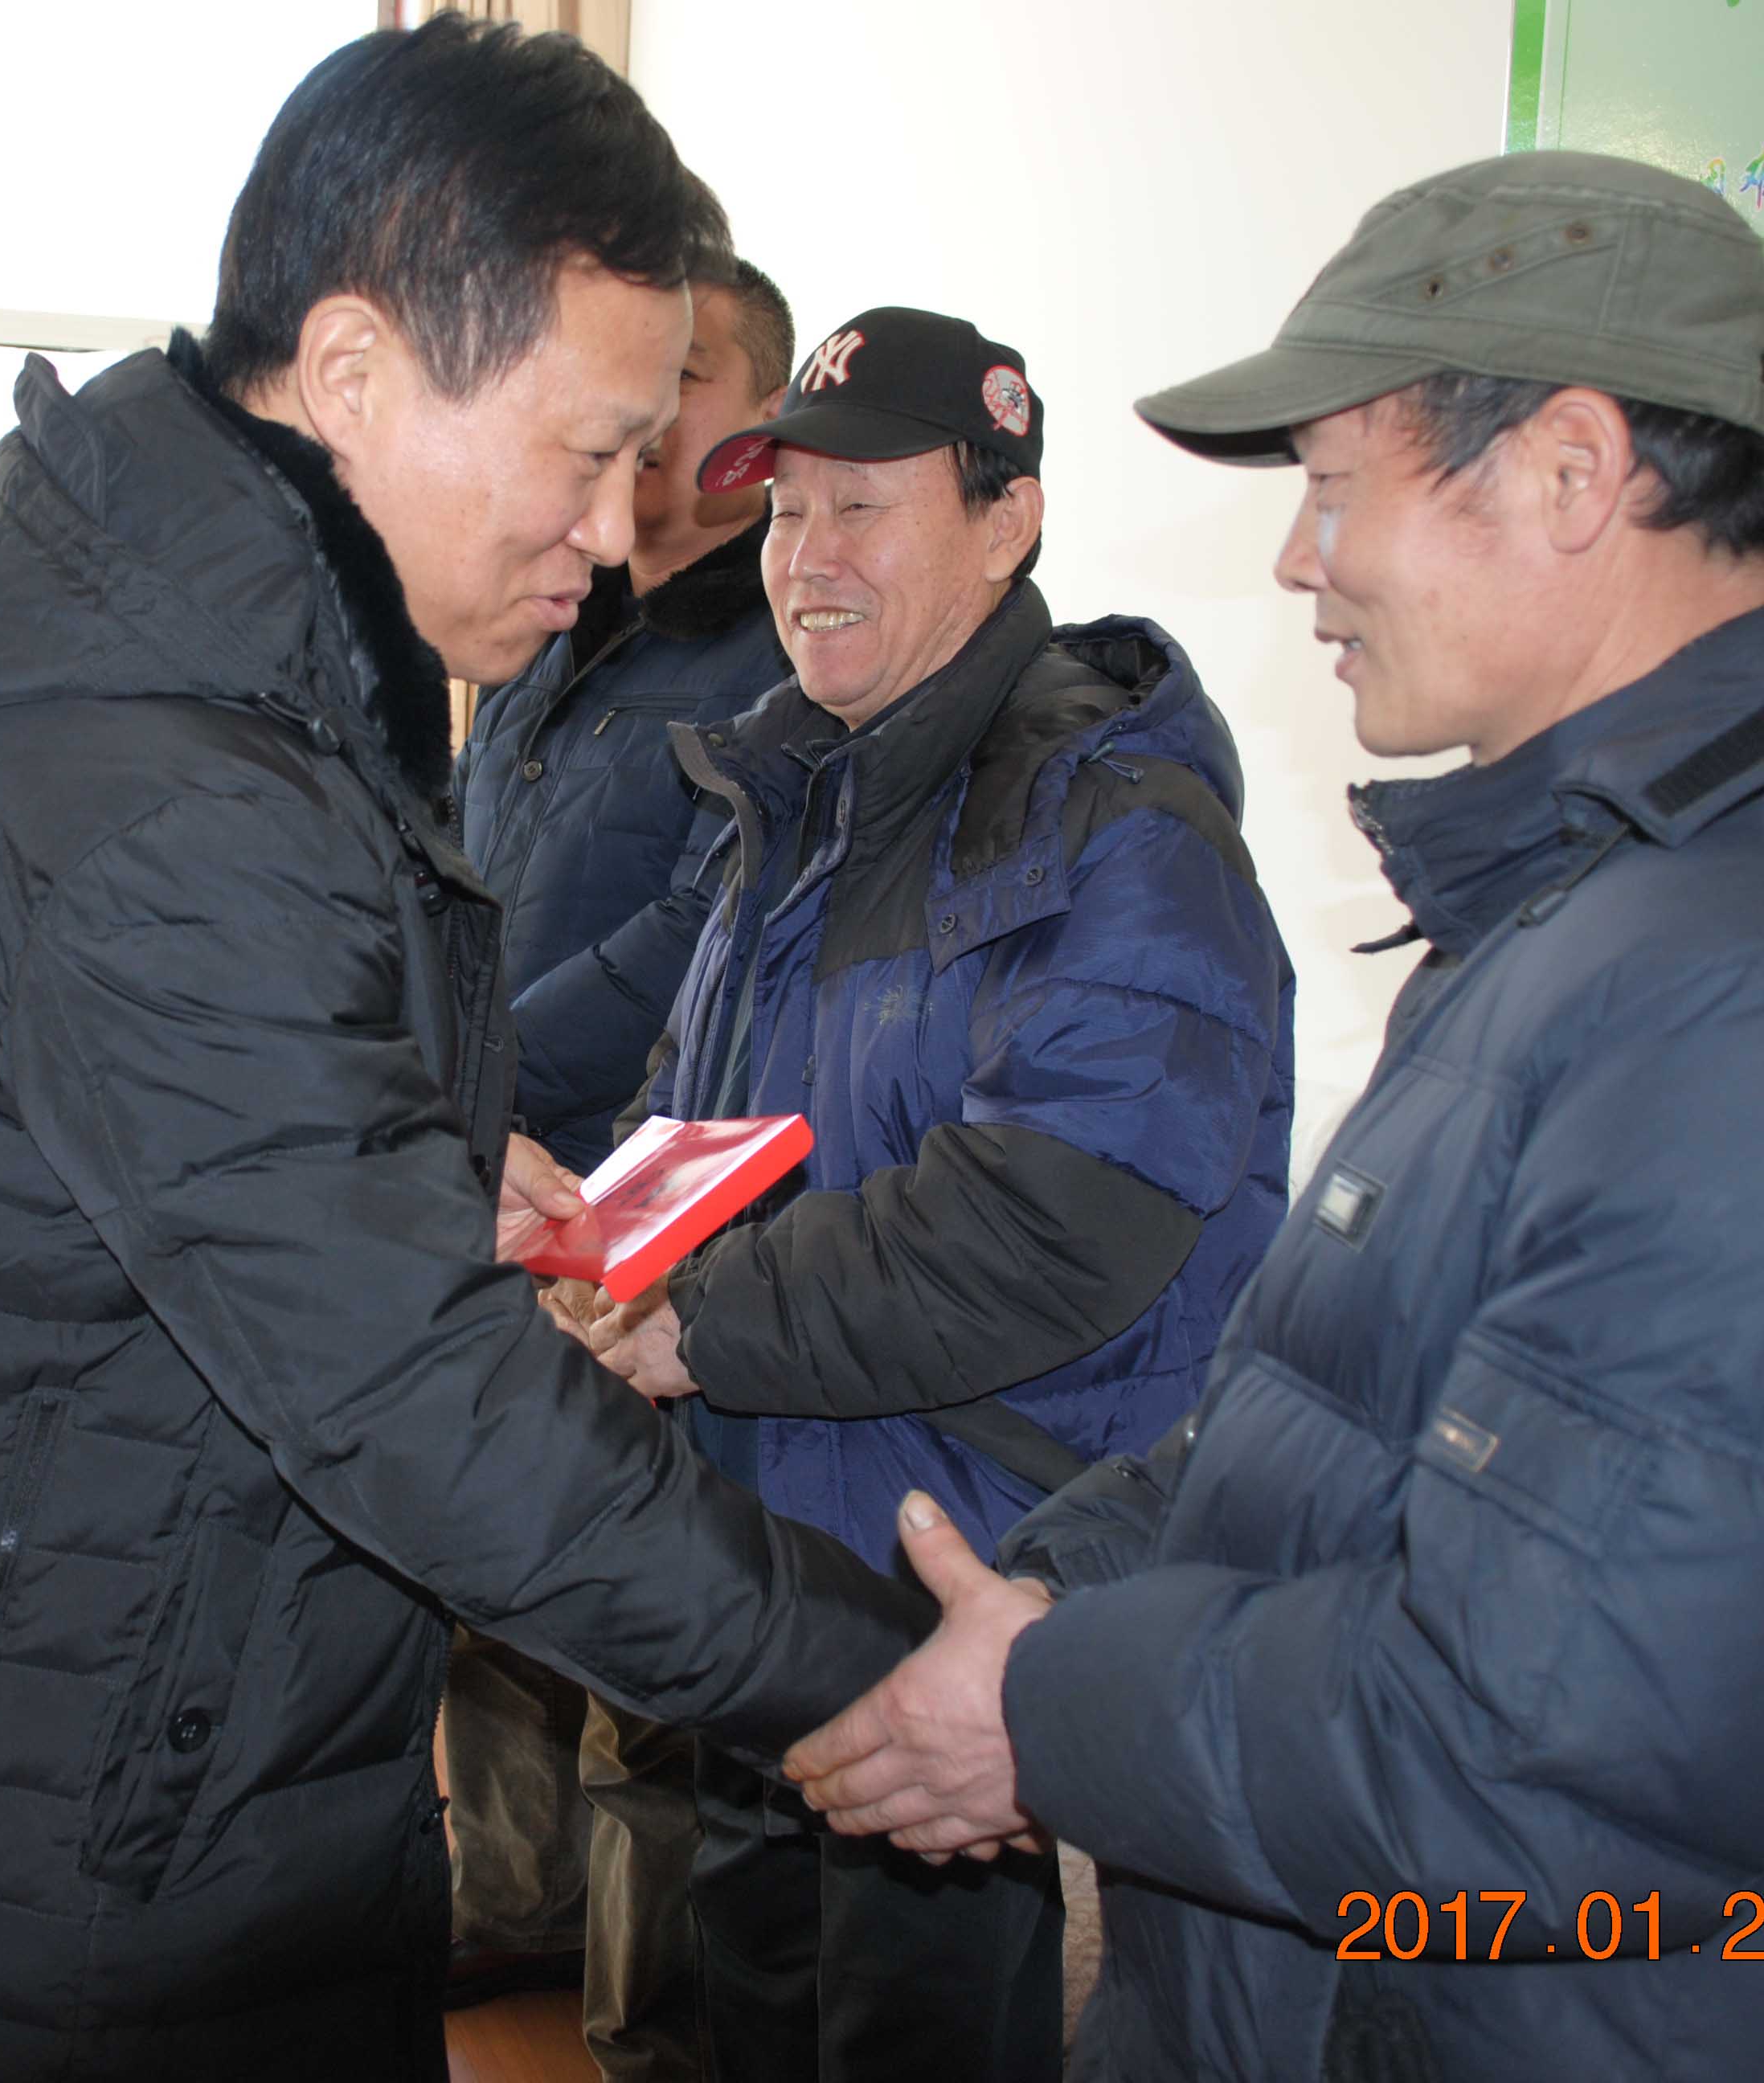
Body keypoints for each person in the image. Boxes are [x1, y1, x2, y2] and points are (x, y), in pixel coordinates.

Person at [0, 23, 930, 2083]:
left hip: (103, 1737)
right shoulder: (163, 789)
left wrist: (403, 1166)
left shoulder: (220, 669)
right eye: (587, 453)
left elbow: (169, 1163)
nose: (616, 535)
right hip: (40, 1866)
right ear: (352, 372)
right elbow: (417, 1403)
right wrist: (887, 1682)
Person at [784, 151, 1764, 2083]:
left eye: (1335, 489)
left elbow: (1547, 1764)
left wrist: (1046, 1707)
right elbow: (1357, 1425)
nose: (1294, 562)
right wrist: (1068, 1579)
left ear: (1570, 473)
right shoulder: (1603, 909)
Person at [579, 308, 1295, 2082]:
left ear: (1007, 520)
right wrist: (596, 1243)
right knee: (749, 2012)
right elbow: (702, 1111)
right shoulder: (797, 797)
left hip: (960, 1570)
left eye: (861, 507)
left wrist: (694, 1318)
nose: (805, 558)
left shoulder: (1114, 825)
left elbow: (1051, 1217)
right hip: (763, 1556)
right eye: (782, 512)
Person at [439, 258, 795, 2074]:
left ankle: (644, 2010)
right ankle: (509, 1902)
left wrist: (471, 1071)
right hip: (488, 1180)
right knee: (486, 1581)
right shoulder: (553, 616)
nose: (652, 426)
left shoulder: (782, 647)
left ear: (766, 420)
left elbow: (694, 935)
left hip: (647, 1200)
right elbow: (460, 866)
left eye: (693, 379)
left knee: (637, 1634)